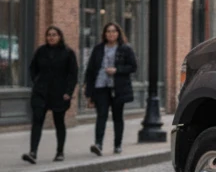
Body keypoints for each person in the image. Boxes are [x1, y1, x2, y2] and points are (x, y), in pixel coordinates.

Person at [21, 27, 79, 164]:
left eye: (54, 35)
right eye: (49, 35)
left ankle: (60, 152)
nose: (51, 37)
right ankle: (33, 152)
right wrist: (36, 81)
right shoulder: (41, 51)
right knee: (37, 121)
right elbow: (33, 68)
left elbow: (73, 75)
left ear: (60, 36)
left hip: (59, 93)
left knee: (59, 122)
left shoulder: (68, 53)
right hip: (41, 92)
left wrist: (68, 92)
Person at [83, 22, 138, 156]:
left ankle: (117, 145)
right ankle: (98, 144)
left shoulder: (125, 49)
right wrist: (89, 93)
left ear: (118, 33)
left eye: (113, 31)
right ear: (104, 34)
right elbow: (90, 70)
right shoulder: (98, 49)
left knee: (117, 117)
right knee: (101, 115)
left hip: (118, 88)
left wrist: (117, 70)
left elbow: (133, 67)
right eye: (108, 31)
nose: (111, 34)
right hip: (101, 86)